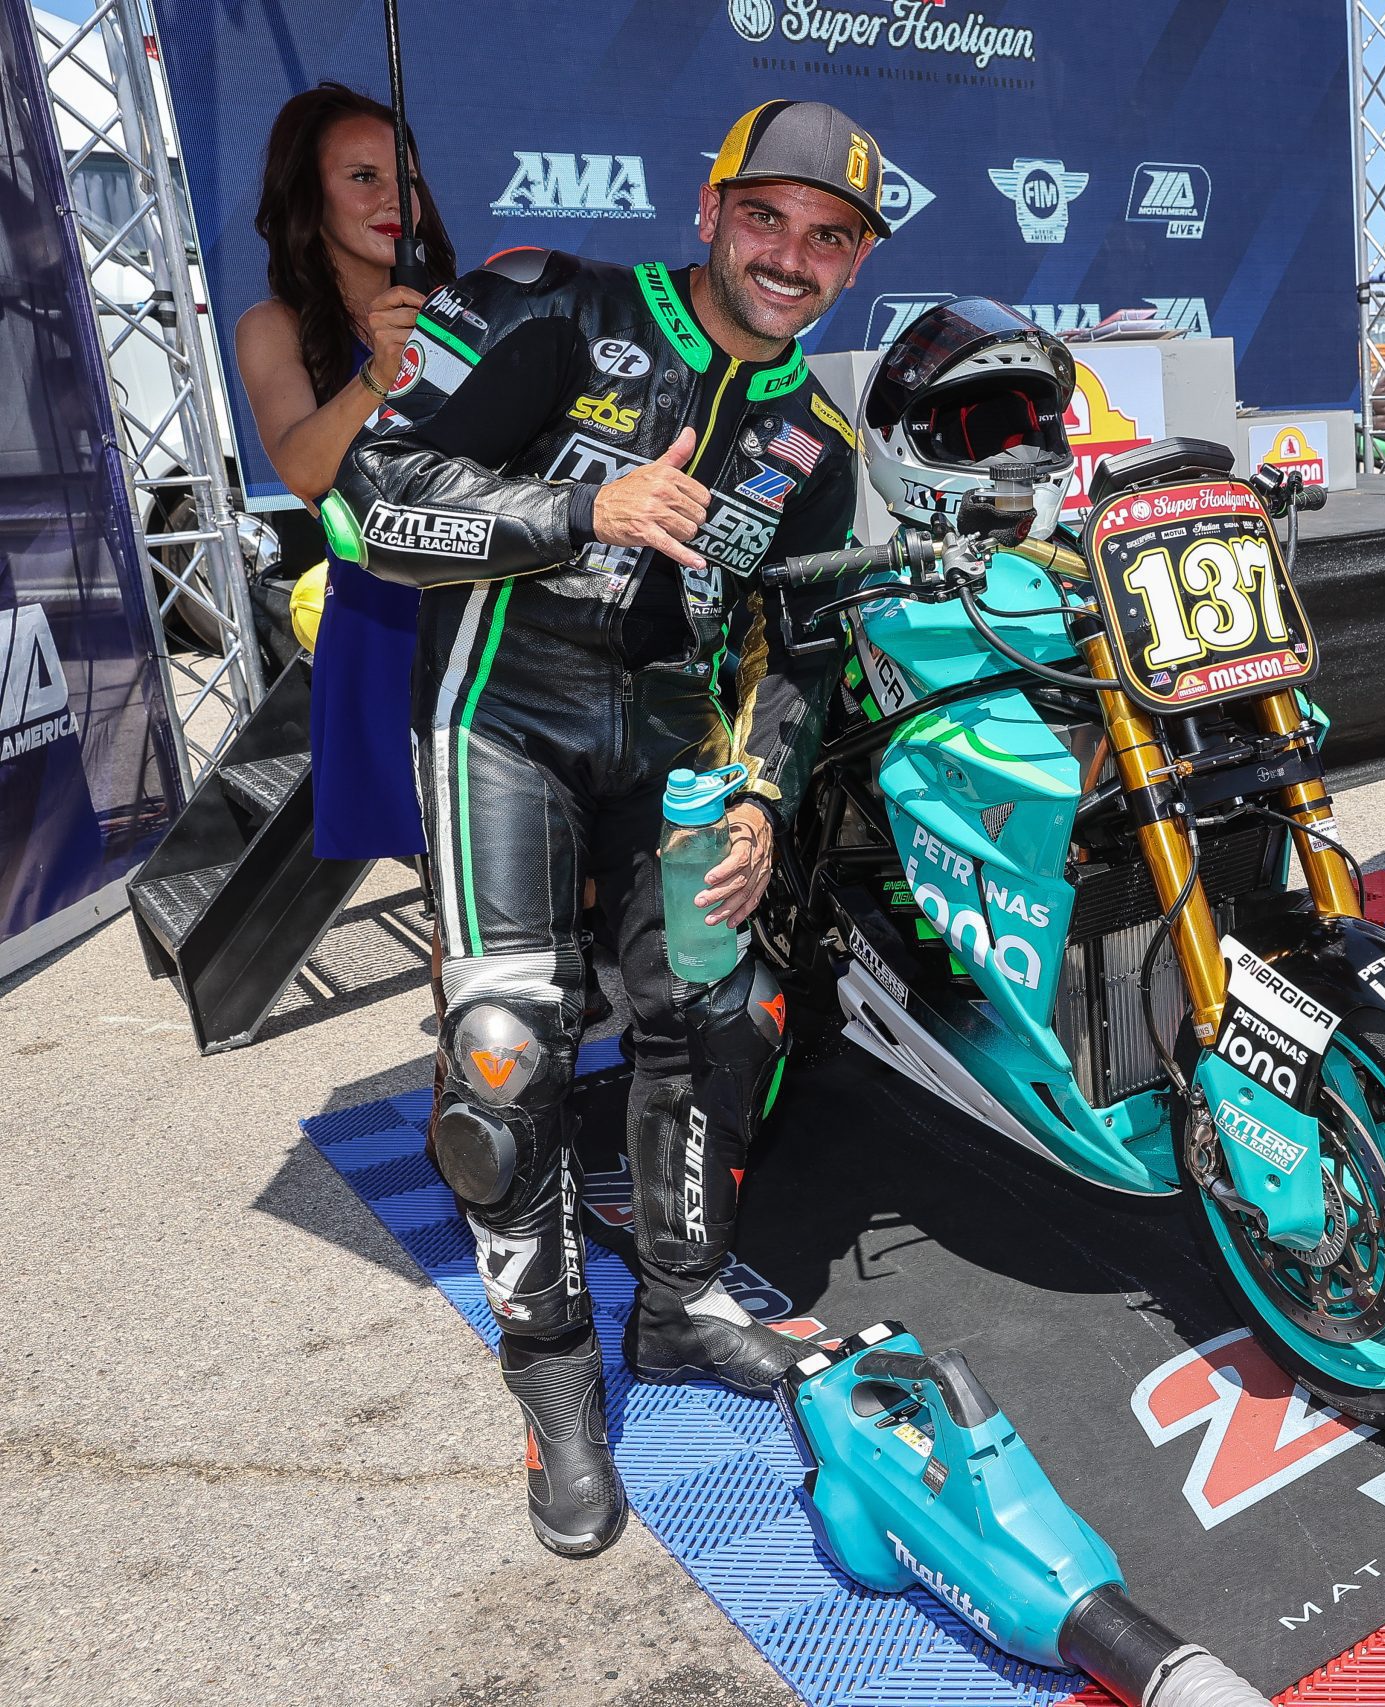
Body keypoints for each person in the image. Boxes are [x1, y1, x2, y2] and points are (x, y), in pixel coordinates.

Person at [328, 99, 887, 1556]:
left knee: (719, 1015)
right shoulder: (549, 303)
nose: (792, 256)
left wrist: (760, 791)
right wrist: (582, 511)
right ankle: (555, 1373)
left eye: (830, 237)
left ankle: (684, 1304)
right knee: (504, 1050)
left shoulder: (819, 441)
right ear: (708, 211)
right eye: (766, 217)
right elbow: (362, 507)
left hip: (671, 750)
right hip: (498, 720)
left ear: (855, 263)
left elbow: (800, 648)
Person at [234, 84, 455, 861]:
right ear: (308, 197)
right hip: (380, 625)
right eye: (364, 177)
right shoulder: (272, 327)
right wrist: (379, 373)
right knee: (451, 887)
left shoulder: (464, 310)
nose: (396, 198)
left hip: (490, 615)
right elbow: (302, 471)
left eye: (407, 178)